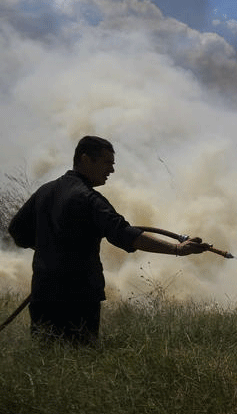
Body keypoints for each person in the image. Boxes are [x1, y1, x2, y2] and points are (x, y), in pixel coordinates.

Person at [7, 136, 209, 346]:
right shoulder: (88, 199)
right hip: (78, 300)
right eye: (107, 163)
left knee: (46, 362)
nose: (111, 170)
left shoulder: (44, 192)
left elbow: (17, 231)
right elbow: (126, 235)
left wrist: (49, 248)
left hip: (43, 294)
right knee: (81, 360)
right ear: (85, 159)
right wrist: (178, 249)